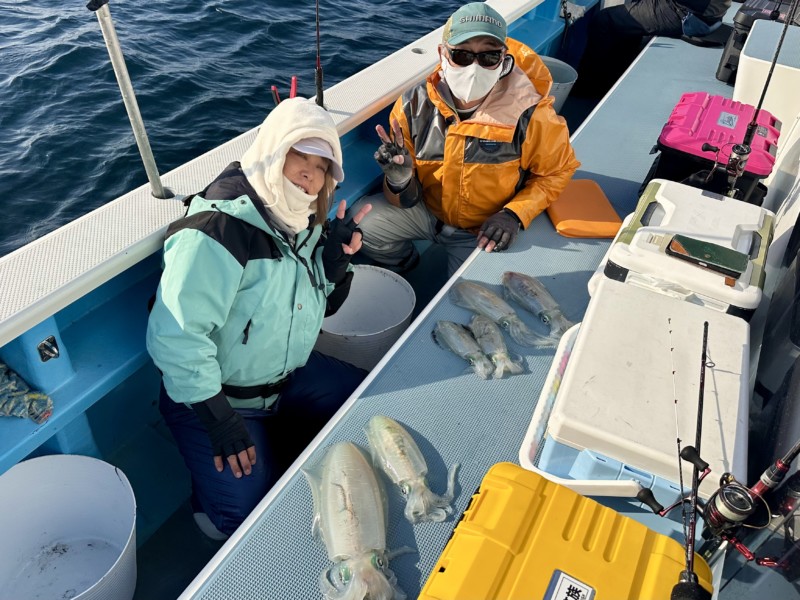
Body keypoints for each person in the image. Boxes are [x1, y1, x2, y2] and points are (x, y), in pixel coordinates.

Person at [146, 97, 371, 539]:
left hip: (286, 378)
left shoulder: (302, 220)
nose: (310, 174)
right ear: (272, 151)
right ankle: (210, 503)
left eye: (321, 166)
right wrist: (219, 420)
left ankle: (277, 437)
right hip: (217, 399)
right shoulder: (217, 232)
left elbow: (318, 308)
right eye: (300, 157)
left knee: (365, 398)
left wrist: (335, 264)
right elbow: (175, 338)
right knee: (246, 517)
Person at [349, 2, 580, 276]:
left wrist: (514, 214)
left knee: (472, 293)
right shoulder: (412, 107)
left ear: (503, 60)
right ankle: (406, 265)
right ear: (442, 54)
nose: (474, 67)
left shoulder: (531, 114)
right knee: (361, 224)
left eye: (488, 57)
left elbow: (557, 171)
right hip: (428, 213)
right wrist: (399, 181)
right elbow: (404, 201)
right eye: (462, 55)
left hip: (485, 230)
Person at [574, 0, 731, 98]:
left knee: (604, 20)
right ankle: (617, 72)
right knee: (629, 15)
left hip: (690, 15)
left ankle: (587, 87)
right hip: (709, 12)